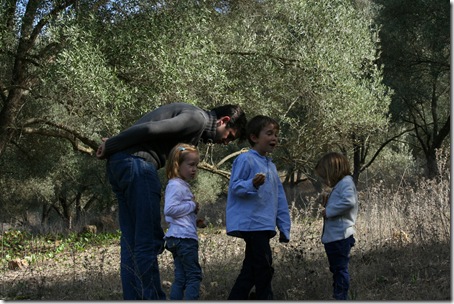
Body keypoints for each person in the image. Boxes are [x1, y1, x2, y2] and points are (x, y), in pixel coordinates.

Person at [95, 102, 247, 300]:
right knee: (146, 241)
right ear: (224, 121)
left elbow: (147, 128)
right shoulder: (197, 118)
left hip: (122, 165)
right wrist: (111, 144)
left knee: (132, 242)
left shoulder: (194, 121)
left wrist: (116, 145)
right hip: (138, 166)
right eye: (230, 136)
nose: (227, 142)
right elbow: (150, 129)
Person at [225, 115, 291, 300]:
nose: (274, 138)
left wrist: (284, 227)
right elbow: (236, 187)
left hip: (264, 225)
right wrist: (252, 184)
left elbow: (280, 199)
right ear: (254, 137)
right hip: (251, 224)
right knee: (263, 266)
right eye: (269, 133)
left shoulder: (271, 167)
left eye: (276, 135)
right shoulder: (246, 160)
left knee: (253, 268)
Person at [315, 152, 358, 300]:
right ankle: (338, 294)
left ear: (333, 171)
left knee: (340, 269)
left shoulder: (346, 182)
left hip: (340, 236)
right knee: (336, 268)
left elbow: (349, 201)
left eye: (324, 176)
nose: (324, 180)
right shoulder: (342, 184)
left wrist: (329, 211)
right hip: (334, 237)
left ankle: (341, 296)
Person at [163, 143, 202, 300]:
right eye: (191, 165)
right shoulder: (175, 185)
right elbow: (169, 210)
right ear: (177, 165)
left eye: (196, 166)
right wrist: (192, 205)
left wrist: (195, 219)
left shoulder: (178, 185)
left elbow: (174, 215)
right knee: (194, 276)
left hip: (177, 237)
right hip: (184, 239)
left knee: (181, 278)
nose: (194, 169)